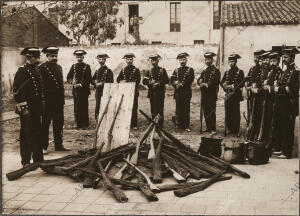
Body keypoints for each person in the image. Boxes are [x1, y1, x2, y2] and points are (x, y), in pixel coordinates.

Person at [13, 47, 44, 167]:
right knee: (26, 134)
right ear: (29, 58)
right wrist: (24, 108)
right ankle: (25, 161)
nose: (37, 59)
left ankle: (38, 159)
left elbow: (39, 89)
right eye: (35, 57)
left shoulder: (36, 69)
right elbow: (16, 91)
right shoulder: (22, 71)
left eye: (37, 57)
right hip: (27, 108)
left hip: (36, 108)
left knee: (37, 132)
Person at [40, 46, 69, 152]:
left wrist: (62, 100)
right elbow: (40, 86)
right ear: (47, 56)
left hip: (58, 101)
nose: (54, 58)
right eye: (52, 56)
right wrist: (42, 99)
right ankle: (43, 146)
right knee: (45, 124)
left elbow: (60, 85)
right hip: (47, 101)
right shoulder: (42, 68)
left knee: (59, 123)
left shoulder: (59, 67)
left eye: (56, 56)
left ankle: (59, 145)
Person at [272, 47, 299, 159]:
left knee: (287, 127)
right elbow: (282, 85)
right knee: (279, 125)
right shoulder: (285, 71)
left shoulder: (296, 72)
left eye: (286, 57)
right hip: (281, 102)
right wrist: (280, 87)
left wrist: (279, 89)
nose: (284, 59)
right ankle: (280, 148)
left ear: (292, 57)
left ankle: (287, 152)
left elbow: (292, 89)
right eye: (283, 57)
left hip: (289, 104)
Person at [258, 52, 282, 145]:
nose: (272, 63)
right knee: (267, 119)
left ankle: (273, 142)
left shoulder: (280, 72)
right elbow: (262, 82)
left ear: (278, 61)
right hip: (267, 98)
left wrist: (269, 87)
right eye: (271, 61)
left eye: (274, 61)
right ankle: (266, 139)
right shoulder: (269, 71)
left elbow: (277, 86)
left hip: (275, 99)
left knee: (274, 121)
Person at [67, 50, 92, 129]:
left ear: (83, 57)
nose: (79, 58)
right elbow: (69, 77)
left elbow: (89, 78)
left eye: (81, 57)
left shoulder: (87, 66)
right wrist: (72, 82)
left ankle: (85, 124)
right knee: (77, 107)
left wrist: (81, 84)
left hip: (84, 90)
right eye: (78, 57)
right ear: (76, 57)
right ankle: (78, 123)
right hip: (76, 90)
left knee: (84, 106)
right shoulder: (73, 66)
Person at [220, 54, 245, 135]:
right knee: (228, 112)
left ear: (236, 62)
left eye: (233, 61)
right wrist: (225, 86)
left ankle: (236, 129)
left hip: (236, 95)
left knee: (235, 112)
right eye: (230, 62)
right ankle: (229, 128)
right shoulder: (227, 72)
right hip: (228, 95)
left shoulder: (240, 72)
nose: (231, 63)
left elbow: (241, 83)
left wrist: (232, 86)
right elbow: (222, 82)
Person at [197, 52, 220, 135]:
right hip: (204, 94)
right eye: (206, 59)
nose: (207, 61)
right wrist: (199, 81)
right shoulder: (204, 71)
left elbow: (216, 81)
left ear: (212, 60)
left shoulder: (216, 71)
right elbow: (199, 79)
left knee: (211, 111)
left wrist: (205, 84)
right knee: (205, 110)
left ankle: (213, 129)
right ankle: (208, 127)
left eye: (209, 59)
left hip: (212, 94)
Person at [142, 54, 169, 127]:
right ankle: (154, 122)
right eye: (152, 60)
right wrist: (150, 82)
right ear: (151, 61)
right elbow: (144, 81)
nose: (153, 62)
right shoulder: (149, 71)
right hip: (152, 93)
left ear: (158, 61)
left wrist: (159, 83)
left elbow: (166, 80)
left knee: (160, 108)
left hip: (160, 92)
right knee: (153, 108)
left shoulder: (162, 70)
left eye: (155, 60)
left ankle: (160, 124)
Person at [170, 52, 195, 132]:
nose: (182, 61)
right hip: (178, 92)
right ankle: (179, 124)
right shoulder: (176, 70)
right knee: (178, 109)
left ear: (186, 60)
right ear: (179, 61)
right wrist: (175, 83)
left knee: (186, 109)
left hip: (186, 92)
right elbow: (172, 79)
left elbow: (190, 79)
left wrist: (181, 84)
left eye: (184, 59)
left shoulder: (190, 69)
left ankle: (186, 125)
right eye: (180, 60)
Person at [116, 53, 141, 130]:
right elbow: (118, 79)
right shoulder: (123, 70)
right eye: (128, 59)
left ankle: (134, 124)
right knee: (125, 107)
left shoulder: (136, 70)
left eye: (131, 59)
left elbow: (138, 80)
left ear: (132, 60)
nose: (129, 61)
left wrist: (130, 82)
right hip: (125, 92)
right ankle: (126, 123)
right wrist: (122, 81)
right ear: (126, 60)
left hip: (133, 92)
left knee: (133, 108)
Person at [245, 49, 265, 125]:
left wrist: (255, 85)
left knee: (259, 112)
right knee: (252, 111)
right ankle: (252, 127)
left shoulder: (264, 69)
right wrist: (247, 84)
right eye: (255, 57)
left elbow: (263, 81)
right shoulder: (252, 68)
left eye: (258, 57)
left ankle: (258, 129)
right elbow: (247, 78)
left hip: (260, 95)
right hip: (252, 94)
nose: (255, 59)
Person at [91, 54, 114, 121]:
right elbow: (92, 80)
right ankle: (97, 119)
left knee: (105, 104)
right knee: (97, 104)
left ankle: (105, 119)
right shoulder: (97, 71)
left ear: (105, 60)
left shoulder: (109, 71)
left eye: (102, 59)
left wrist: (101, 84)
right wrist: (95, 83)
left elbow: (111, 81)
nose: (101, 61)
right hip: (98, 91)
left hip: (106, 91)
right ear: (98, 60)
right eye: (100, 59)